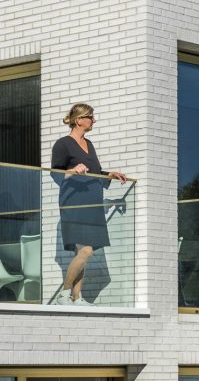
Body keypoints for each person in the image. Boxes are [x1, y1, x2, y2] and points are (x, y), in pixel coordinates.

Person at [51, 103, 128, 305]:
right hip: (74, 204)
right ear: (79, 120)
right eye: (91, 117)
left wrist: (109, 174)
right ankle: (64, 294)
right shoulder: (63, 144)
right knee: (86, 251)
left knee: (82, 253)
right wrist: (73, 170)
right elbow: (55, 173)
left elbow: (94, 172)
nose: (94, 120)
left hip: (92, 204)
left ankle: (77, 297)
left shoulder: (90, 144)